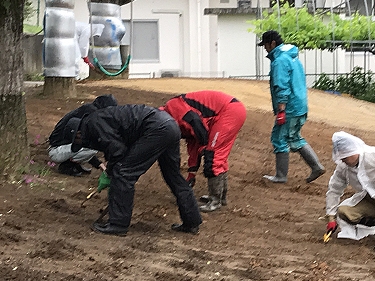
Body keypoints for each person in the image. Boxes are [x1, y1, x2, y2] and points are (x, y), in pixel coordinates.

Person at [64, 104, 202, 236]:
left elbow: (118, 151)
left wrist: (110, 173)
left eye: (77, 141)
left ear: (78, 133)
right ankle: (191, 221)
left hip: (156, 128)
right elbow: (120, 144)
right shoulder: (99, 119)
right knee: (174, 177)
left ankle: (118, 224)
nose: (80, 144)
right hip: (169, 125)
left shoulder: (93, 124)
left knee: (123, 173)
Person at [257, 29, 325, 183]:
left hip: (290, 107)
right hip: (300, 105)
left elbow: (282, 86)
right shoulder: (293, 58)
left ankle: (281, 176)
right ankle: (316, 167)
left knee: (279, 138)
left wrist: (281, 109)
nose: (265, 49)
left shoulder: (280, 60)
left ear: (272, 43)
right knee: (293, 137)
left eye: (266, 45)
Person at [161, 90, 247, 212]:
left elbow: (197, 126)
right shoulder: (175, 119)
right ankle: (221, 198)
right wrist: (192, 173)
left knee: (212, 156)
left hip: (228, 111)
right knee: (218, 156)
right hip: (232, 110)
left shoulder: (174, 108)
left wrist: (205, 147)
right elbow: (193, 146)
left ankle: (215, 200)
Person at [48, 94, 117, 175]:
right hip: (57, 150)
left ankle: (73, 164)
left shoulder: (88, 110)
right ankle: (67, 166)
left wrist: (100, 165)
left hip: (60, 147)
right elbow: (87, 143)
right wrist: (99, 164)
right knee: (95, 144)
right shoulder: (91, 115)